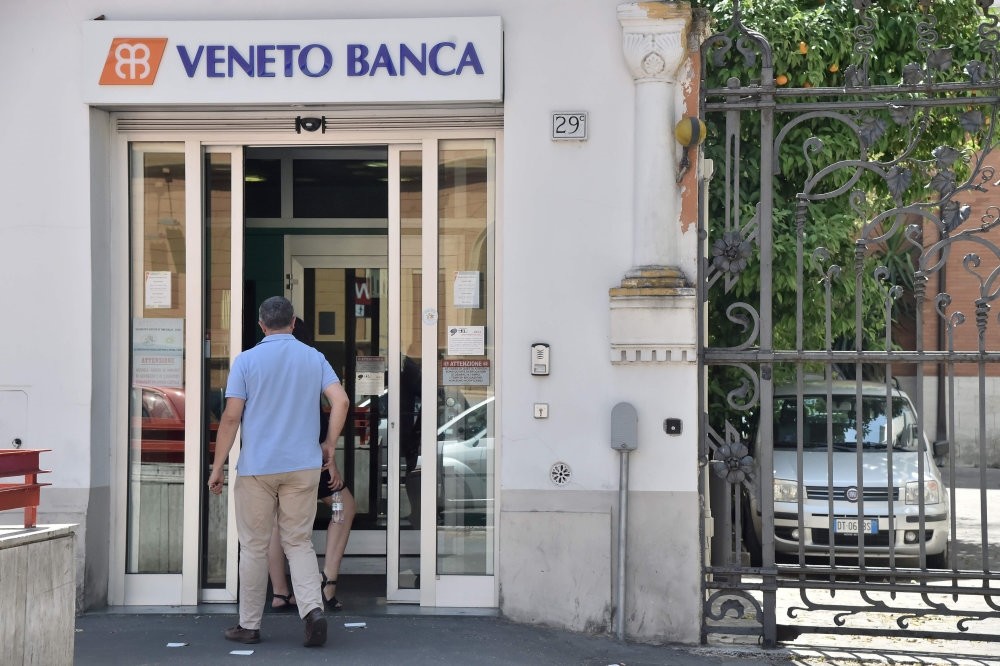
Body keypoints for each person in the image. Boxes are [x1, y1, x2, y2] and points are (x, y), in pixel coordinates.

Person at [207, 296, 350, 648]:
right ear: (294, 322)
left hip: (258, 467)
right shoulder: (313, 357)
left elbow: (231, 417)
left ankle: (249, 625)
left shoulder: (246, 361)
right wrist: (329, 445)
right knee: (298, 542)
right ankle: (312, 611)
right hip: (303, 466)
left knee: (254, 547)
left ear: (261, 324)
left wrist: (218, 466)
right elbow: (342, 401)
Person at [267, 317, 356, 613]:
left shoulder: (258, 362)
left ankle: (280, 592)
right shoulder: (310, 362)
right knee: (343, 506)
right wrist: (329, 456)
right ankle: (327, 582)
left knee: (276, 520)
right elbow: (335, 406)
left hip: (270, 460)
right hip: (307, 462)